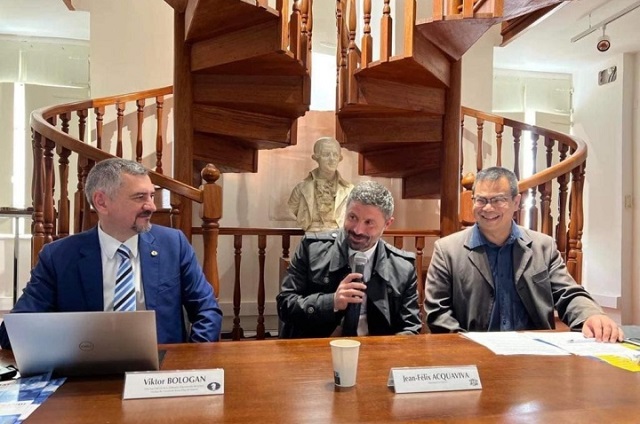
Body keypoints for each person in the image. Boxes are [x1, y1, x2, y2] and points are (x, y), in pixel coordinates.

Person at [0, 158, 223, 349]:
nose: (151, 207)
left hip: (161, 372)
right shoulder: (58, 257)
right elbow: (13, 332)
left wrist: (191, 359)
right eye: (139, 197)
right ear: (102, 202)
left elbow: (207, 310)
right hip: (86, 373)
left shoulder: (173, 244)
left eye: (151, 196)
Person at [425, 166, 622, 342]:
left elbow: (567, 293)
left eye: (498, 200)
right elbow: (438, 314)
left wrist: (591, 315)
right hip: (475, 355)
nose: (488, 208)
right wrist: (470, 348)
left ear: (516, 202)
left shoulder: (543, 247)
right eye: (481, 200)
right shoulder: (447, 250)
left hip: (534, 355)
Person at [277, 180, 421, 338]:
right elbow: (285, 305)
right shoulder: (311, 249)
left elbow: (410, 327)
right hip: (317, 347)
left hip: (377, 350)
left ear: (387, 224)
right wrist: (331, 302)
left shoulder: (403, 268)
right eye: (352, 217)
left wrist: (388, 349)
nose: (358, 230)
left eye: (369, 223)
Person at [288, 137, 354, 232]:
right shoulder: (301, 188)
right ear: (316, 158)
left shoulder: (350, 190)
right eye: (326, 154)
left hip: (339, 237)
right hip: (310, 235)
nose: (332, 159)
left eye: (335, 155)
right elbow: (292, 209)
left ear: (340, 158)